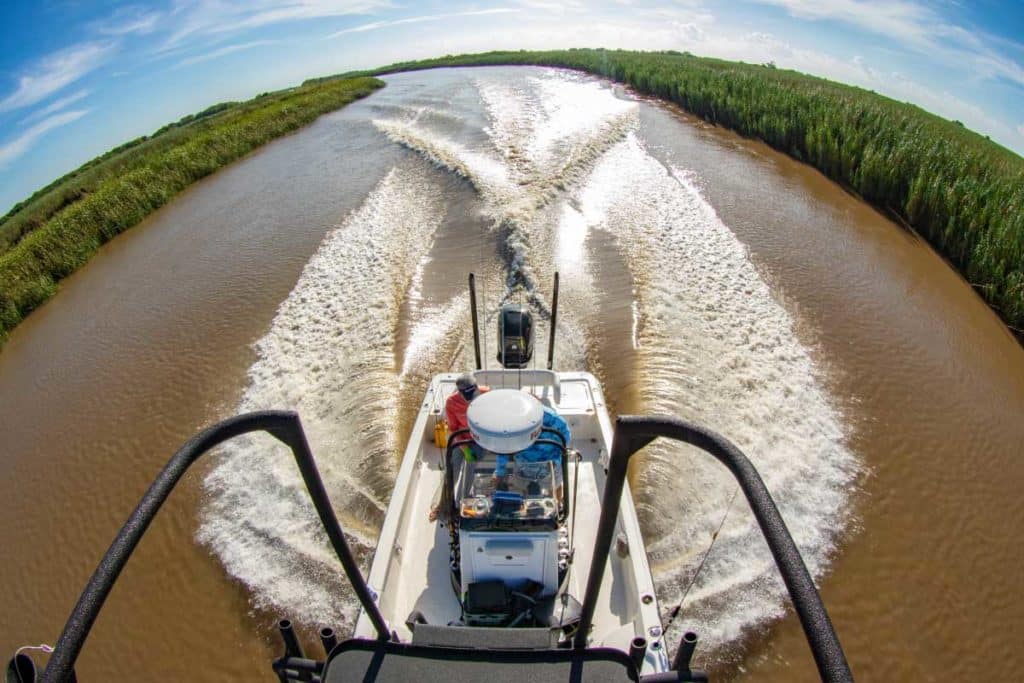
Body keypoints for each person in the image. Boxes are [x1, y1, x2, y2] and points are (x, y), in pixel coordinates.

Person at [429, 373, 489, 521]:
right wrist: (465, 449)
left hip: (480, 440)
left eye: (472, 392)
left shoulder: (487, 393)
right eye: (465, 394)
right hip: (461, 439)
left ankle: (464, 503)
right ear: (459, 392)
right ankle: (442, 505)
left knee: (470, 467)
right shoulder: (451, 403)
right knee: (452, 469)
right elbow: (453, 429)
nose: (469, 397)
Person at [494, 403, 570, 487]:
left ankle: (559, 495)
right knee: (523, 490)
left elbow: (564, 439)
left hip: (550, 466)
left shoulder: (553, 419)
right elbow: (504, 447)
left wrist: (556, 461)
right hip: (522, 467)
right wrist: (500, 472)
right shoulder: (510, 422)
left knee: (556, 486)